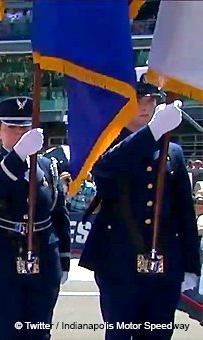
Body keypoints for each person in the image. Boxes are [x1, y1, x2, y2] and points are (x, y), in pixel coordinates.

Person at [79, 75, 201, 339]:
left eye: (151, 99)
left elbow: (184, 212)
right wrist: (152, 132)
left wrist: (192, 263)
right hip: (118, 264)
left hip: (164, 266)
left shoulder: (173, 151)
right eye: (138, 99)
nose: (145, 106)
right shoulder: (106, 143)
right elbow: (105, 170)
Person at [0, 97, 71, 340]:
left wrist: (64, 259)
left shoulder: (48, 166)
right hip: (1, 263)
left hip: (43, 262)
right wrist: (17, 156)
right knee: (2, 332)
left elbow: (59, 214)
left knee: (38, 332)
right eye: (12, 128)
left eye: (25, 128)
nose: (20, 134)